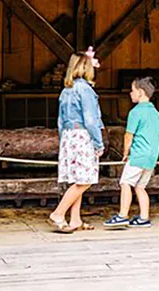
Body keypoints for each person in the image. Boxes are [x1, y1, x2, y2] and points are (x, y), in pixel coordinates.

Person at [47, 51, 104, 233]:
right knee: (85, 180)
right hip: (82, 135)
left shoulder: (66, 90)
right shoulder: (85, 90)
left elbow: (60, 121)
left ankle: (75, 220)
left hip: (68, 136)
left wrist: (63, 139)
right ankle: (58, 213)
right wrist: (98, 142)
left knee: (77, 179)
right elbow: (90, 119)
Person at [104, 77, 159, 229]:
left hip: (138, 155)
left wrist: (125, 153)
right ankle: (144, 218)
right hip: (151, 156)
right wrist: (154, 151)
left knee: (125, 183)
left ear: (141, 92)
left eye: (133, 90)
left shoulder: (135, 112)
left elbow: (128, 135)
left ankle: (122, 215)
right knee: (140, 187)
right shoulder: (156, 113)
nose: (130, 93)